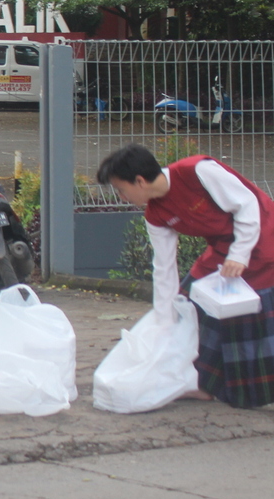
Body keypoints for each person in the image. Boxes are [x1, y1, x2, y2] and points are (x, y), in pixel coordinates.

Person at [98, 143, 274, 407]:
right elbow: (164, 267)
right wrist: (164, 320)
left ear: (140, 181)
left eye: (121, 190)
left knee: (248, 318)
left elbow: (247, 203)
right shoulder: (155, 214)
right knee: (188, 303)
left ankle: (251, 391)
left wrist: (239, 254)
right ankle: (199, 382)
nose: (121, 197)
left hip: (262, 238)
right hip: (222, 251)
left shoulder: (198, 171)